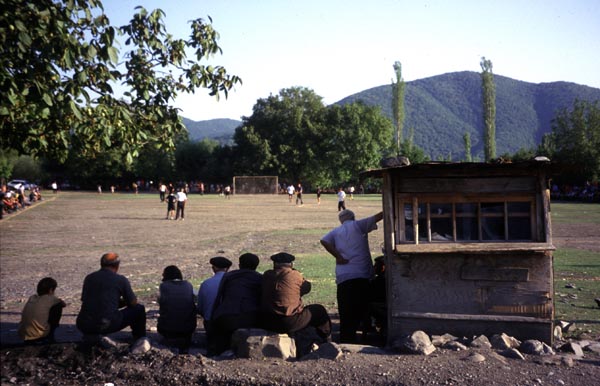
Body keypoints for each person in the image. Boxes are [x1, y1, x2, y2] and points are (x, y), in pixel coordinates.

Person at [320, 210, 383, 343]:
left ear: (341, 221)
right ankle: (366, 338)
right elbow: (378, 217)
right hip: (361, 274)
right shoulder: (358, 225)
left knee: (346, 310)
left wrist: (338, 256)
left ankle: (346, 339)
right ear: (353, 218)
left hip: (343, 276)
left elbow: (324, 240)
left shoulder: (336, 231)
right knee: (364, 308)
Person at [76, 253, 147, 345]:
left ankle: (91, 335)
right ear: (117, 266)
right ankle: (139, 338)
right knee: (139, 309)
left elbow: (86, 300)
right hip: (105, 325)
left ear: (101, 264)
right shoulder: (120, 279)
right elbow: (133, 303)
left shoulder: (89, 278)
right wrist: (123, 302)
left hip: (83, 325)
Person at [260, 252, 331, 343]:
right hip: (288, 322)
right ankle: (326, 339)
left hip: (266, 321)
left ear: (274, 264)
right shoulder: (295, 275)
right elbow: (307, 288)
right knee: (318, 310)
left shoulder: (267, 275)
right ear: (291, 264)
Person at [211, 253, 263, 355]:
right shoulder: (259, 278)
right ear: (256, 266)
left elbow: (219, 298)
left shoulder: (229, 276)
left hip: (226, 316)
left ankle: (218, 353)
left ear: (239, 265)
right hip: (250, 317)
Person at [197, 256, 232, 355]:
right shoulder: (233, 282)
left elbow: (200, 307)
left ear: (214, 268)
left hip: (211, 322)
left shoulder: (206, 284)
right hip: (228, 321)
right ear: (227, 268)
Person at [157, 265, 197, 353]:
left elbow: (160, 302)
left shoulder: (163, 287)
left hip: (167, 329)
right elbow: (196, 298)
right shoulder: (188, 285)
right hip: (188, 329)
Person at [18, 277, 67, 344]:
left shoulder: (32, 297)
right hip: (39, 335)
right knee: (58, 306)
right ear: (51, 290)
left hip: (23, 334)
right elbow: (63, 304)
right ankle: (49, 336)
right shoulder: (51, 298)